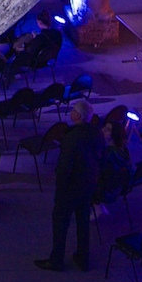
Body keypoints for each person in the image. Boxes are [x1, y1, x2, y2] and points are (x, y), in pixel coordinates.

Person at [37, 100, 104, 272]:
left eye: (73, 110)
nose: (71, 111)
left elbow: (65, 167)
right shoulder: (96, 133)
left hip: (71, 187)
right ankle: (83, 258)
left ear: (78, 116)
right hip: (88, 184)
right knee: (82, 222)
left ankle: (56, 259)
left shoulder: (71, 138)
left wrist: (60, 188)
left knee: (60, 221)